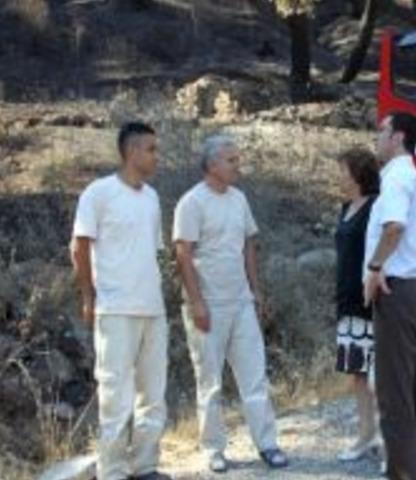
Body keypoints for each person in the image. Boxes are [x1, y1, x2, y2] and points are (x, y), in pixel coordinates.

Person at [173, 133, 289, 473]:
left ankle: (267, 444)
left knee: (254, 376)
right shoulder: (191, 203)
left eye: (238, 159)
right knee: (209, 382)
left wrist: (256, 292)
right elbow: (183, 254)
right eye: (231, 160)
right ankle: (213, 449)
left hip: (240, 302)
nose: (238, 166)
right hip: (207, 304)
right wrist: (196, 304)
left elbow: (249, 246)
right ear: (212, 165)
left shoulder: (239, 199)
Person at [70, 122, 171, 480]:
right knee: (115, 395)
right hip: (115, 309)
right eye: (151, 149)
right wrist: (88, 296)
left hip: (153, 309)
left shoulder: (153, 198)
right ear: (131, 152)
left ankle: (145, 466)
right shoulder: (99, 193)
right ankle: (112, 472)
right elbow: (79, 245)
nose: (157, 156)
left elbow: (154, 253)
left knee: (153, 394)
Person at [363, 112, 416, 480]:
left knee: (394, 398)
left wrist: (375, 266)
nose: (377, 137)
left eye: (381, 131)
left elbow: (394, 226)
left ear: (397, 137)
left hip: (399, 292)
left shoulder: (397, 177)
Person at [333, 147, 382, 463]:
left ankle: (388, 437)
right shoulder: (344, 207)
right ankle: (365, 435)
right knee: (357, 373)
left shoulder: (376, 206)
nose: (338, 176)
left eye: (342, 170)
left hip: (370, 300)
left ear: (357, 173)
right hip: (347, 300)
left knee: (380, 374)